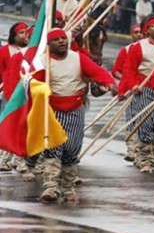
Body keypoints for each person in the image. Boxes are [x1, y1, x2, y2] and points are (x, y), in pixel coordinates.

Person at [33, 29, 116, 202]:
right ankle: (51, 186)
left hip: (75, 109)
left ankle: (68, 187)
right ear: (49, 44)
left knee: (72, 149)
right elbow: (33, 86)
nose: (62, 42)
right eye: (56, 40)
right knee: (52, 148)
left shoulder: (78, 58)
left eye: (64, 38)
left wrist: (110, 83)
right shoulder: (42, 62)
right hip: (52, 110)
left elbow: (98, 72)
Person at [120, 16, 154, 173]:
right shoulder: (138, 46)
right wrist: (133, 85)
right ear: (146, 30)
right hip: (145, 88)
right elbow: (129, 69)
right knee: (145, 123)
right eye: (153, 26)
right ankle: (145, 159)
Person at [0, 22, 30, 172]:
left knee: (23, 127)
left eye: (27, 32)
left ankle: (18, 159)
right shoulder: (5, 51)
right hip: (9, 92)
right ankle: (3, 159)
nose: (25, 35)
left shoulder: (30, 52)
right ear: (14, 35)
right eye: (21, 32)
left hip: (25, 92)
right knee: (8, 125)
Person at [112, 24, 144, 162]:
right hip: (132, 90)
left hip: (148, 88)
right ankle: (132, 149)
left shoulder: (149, 48)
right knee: (132, 119)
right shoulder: (125, 50)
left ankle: (143, 152)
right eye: (135, 32)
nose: (139, 35)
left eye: (140, 32)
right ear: (131, 34)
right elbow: (116, 71)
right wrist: (128, 81)